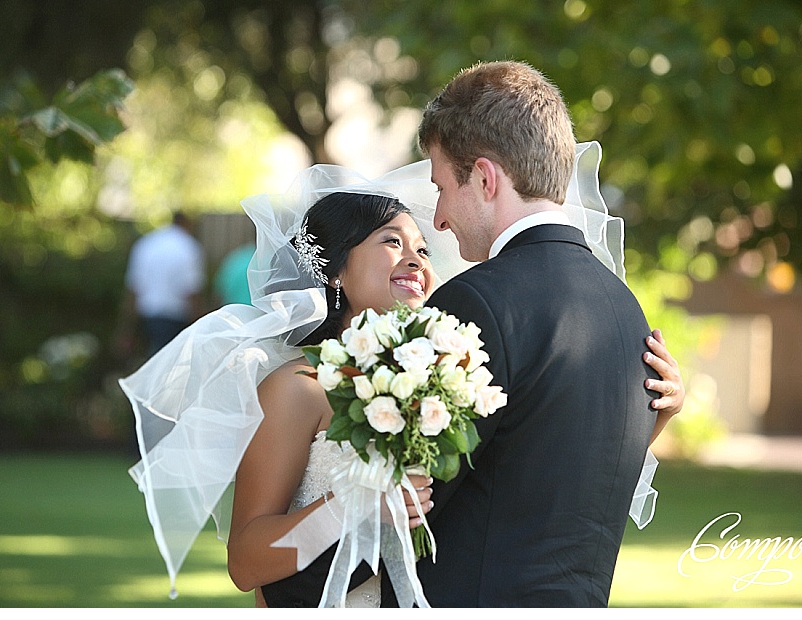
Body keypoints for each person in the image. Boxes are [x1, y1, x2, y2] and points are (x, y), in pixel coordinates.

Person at [121, 154, 682, 606]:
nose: (416, 258)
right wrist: (352, 505)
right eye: (392, 241)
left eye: (421, 247)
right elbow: (246, 562)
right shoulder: (298, 387)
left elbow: (518, 471)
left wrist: (645, 419)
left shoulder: (441, 380)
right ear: (334, 268)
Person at [415, 60, 666, 605]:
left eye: (440, 187)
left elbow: (412, 498)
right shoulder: (626, 311)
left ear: (484, 178)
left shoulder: (472, 303)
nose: (437, 218)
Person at [123, 211, 205, 358]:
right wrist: (199, 328)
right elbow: (192, 290)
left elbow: (134, 288)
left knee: (150, 362)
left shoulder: (147, 243)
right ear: (187, 224)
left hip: (146, 315)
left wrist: (127, 330)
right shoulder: (188, 247)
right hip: (174, 318)